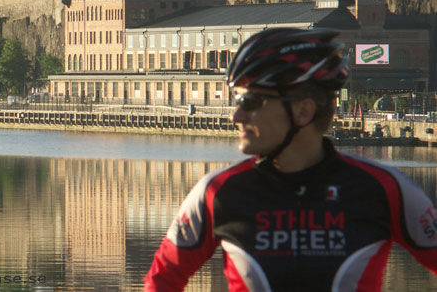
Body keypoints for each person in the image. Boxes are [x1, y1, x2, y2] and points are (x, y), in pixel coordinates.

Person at [144, 28, 437, 291]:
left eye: (250, 102)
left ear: (303, 111)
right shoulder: (217, 192)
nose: (236, 116)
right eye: (237, 102)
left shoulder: (384, 190)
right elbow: (162, 281)